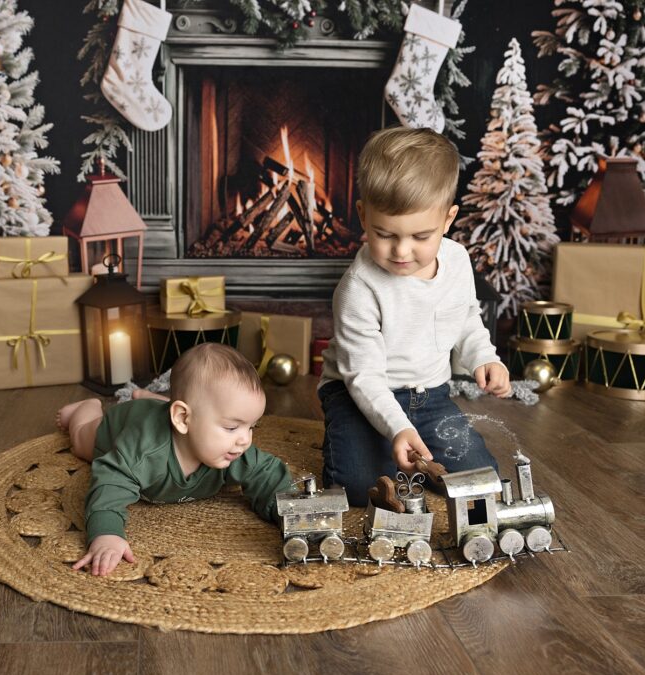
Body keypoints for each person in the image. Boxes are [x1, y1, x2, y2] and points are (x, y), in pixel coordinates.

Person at [319, 126, 511, 506]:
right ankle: (355, 438)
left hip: (430, 395)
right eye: (385, 234)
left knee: (481, 480)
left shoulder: (457, 261)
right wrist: (397, 428)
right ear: (363, 215)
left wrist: (484, 357)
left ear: (447, 219)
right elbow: (364, 378)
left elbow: (466, 319)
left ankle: (403, 440)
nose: (402, 251)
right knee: (359, 488)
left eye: (421, 237)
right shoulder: (359, 288)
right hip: (357, 392)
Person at [55, 343, 294, 576]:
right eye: (232, 427)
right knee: (80, 442)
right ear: (182, 418)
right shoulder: (143, 452)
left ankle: (149, 398)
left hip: (173, 416)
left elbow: (266, 474)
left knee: (189, 416)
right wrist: (106, 534)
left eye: (251, 426)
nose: (245, 440)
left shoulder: (233, 450)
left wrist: (288, 511)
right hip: (121, 425)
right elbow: (109, 485)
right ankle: (86, 408)